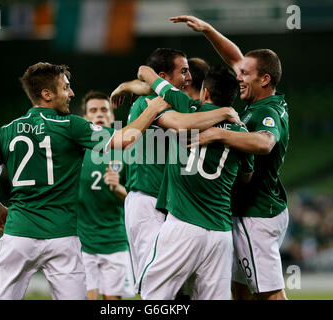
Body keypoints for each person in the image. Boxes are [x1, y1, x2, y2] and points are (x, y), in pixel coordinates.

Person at [0, 62, 169, 300]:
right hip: (63, 238)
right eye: (66, 88)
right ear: (47, 94)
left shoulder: (7, 131)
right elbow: (124, 139)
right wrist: (153, 108)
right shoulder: (71, 125)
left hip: (18, 235)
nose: (71, 93)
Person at [171, 15, 290, 300]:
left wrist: (219, 135)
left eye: (245, 74)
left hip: (256, 214)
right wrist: (209, 31)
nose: (238, 77)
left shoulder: (266, 112)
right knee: (239, 289)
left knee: (269, 293)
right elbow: (237, 58)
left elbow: (264, 143)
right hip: (253, 211)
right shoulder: (258, 100)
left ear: (265, 79)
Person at [111, 48, 241, 290]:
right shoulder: (152, 103)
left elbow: (148, 82)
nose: (188, 77)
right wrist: (223, 113)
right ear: (163, 77)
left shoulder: (183, 104)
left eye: (190, 73)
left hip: (171, 206)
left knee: (181, 288)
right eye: (183, 72)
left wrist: (128, 85)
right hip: (147, 202)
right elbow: (181, 124)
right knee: (157, 287)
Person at [136, 64, 254, 300]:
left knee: (154, 295)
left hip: (183, 225)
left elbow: (144, 71)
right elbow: (246, 177)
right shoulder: (242, 133)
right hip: (220, 234)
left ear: (206, 93)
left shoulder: (184, 105)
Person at [77, 90, 134, 300]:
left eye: (104, 109)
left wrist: (118, 189)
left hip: (115, 240)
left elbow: (139, 201)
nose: (99, 114)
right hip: (81, 242)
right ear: (85, 118)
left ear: (112, 117)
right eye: (93, 110)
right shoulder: (75, 150)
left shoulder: (126, 150)